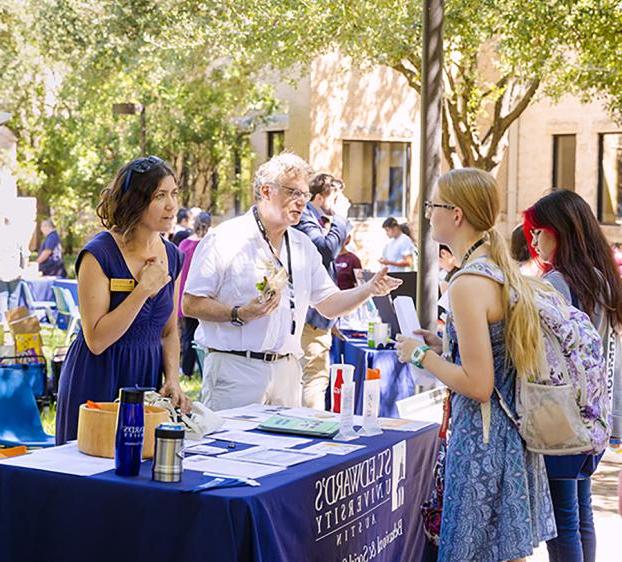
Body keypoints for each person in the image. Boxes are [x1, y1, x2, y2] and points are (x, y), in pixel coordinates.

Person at [396, 168, 556, 561]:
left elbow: (479, 383)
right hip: (508, 437)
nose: (427, 213)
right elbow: (495, 356)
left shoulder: (469, 283)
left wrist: (420, 355)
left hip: (483, 443)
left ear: (456, 214)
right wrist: (443, 343)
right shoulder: (498, 271)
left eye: (432, 205)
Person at [183, 152, 401, 411]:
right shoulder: (225, 239)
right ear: (266, 191)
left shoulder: (302, 246)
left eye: (305, 195)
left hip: (287, 372)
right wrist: (238, 313)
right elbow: (191, 304)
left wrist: (368, 289)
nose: (301, 202)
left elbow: (329, 304)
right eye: (293, 193)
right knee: (232, 450)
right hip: (236, 371)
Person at [56, 155, 191, 444]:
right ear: (135, 200)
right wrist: (142, 290)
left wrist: (172, 379)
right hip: (98, 375)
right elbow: (96, 339)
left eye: (174, 194)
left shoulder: (173, 256)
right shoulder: (99, 254)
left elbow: (169, 331)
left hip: (145, 377)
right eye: (160, 196)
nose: (171, 205)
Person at [523, 189, 622, 562]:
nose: (533, 241)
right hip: (594, 416)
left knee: (563, 521)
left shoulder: (557, 285)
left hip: (560, 416)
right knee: (581, 515)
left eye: (539, 232)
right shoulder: (603, 278)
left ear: (559, 232)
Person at [294, 173, 350, 409]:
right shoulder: (305, 217)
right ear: (319, 197)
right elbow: (326, 251)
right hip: (308, 320)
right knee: (313, 379)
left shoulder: (316, 219)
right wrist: (341, 217)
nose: (341, 202)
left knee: (315, 378)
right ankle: (310, 432)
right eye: (336, 197)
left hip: (320, 317)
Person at [178, 211, 211, 377]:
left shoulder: (184, 244)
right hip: (201, 296)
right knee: (200, 336)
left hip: (184, 294)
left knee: (188, 334)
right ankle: (200, 368)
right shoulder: (207, 244)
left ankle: (187, 370)